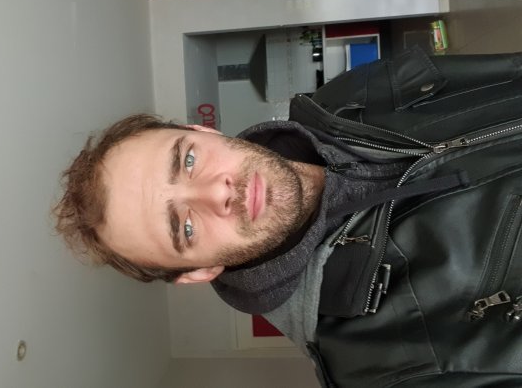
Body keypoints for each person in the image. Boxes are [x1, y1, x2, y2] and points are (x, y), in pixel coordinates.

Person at [54, 47, 522, 387]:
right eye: (185, 227)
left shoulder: (348, 97)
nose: (217, 192)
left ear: (201, 130)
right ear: (199, 271)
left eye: (188, 160)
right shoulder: (384, 366)